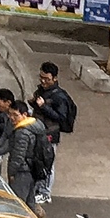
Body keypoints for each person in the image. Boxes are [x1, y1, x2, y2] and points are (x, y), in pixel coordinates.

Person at [0, 89, 53, 203]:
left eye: (15, 115)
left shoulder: (21, 132)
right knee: (30, 203)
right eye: (10, 114)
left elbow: (18, 156)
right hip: (32, 169)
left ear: (24, 114)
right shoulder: (35, 125)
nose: (12, 118)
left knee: (18, 203)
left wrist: (12, 173)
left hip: (22, 171)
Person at [30, 61, 77, 206]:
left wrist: (43, 107)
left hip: (50, 134)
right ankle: (39, 189)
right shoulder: (42, 91)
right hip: (40, 131)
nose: (43, 81)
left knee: (48, 163)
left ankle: (45, 193)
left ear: (55, 78)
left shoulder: (59, 97)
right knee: (38, 161)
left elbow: (60, 117)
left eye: (47, 79)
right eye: (41, 77)